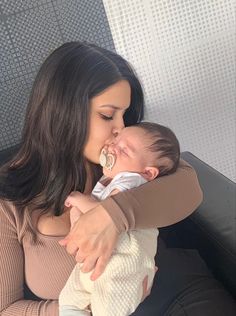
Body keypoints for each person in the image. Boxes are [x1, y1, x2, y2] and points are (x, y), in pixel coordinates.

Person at [0, 41, 203, 316]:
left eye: (124, 115)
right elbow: (6, 307)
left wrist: (112, 215)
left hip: (173, 298)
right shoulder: (10, 200)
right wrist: (91, 308)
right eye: (108, 115)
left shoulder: (122, 163)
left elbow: (190, 184)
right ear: (63, 112)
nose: (120, 129)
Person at [58, 122, 180, 316]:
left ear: (148, 172)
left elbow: (105, 214)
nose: (112, 146)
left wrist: (79, 199)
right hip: (97, 266)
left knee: (103, 310)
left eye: (123, 150)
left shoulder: (133, 180)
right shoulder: (111, 180)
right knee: (68, 302)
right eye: (116, 141)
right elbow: (93, 219)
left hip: (123, 263)